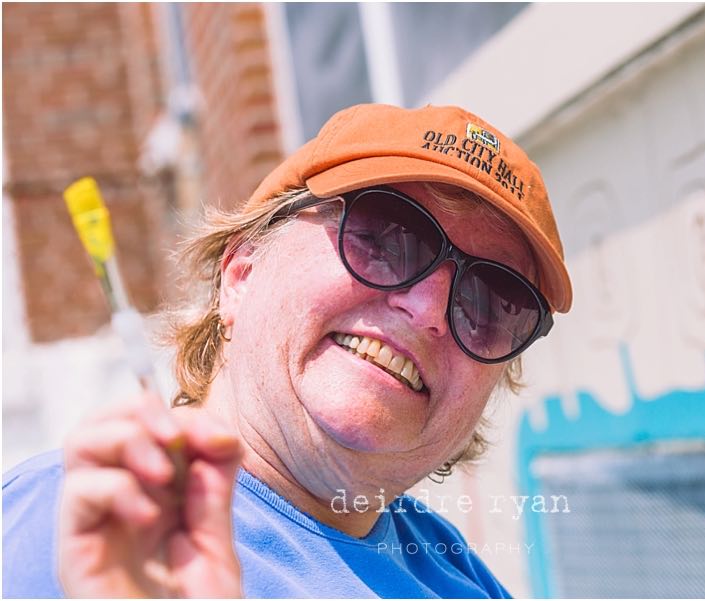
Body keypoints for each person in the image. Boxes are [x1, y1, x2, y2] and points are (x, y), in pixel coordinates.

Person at [2, 103, 573, 598]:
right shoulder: (79, 530)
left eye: (492, 300)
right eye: (385, 238)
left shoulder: (457, 573)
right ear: (241, 272)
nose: (426, 309)